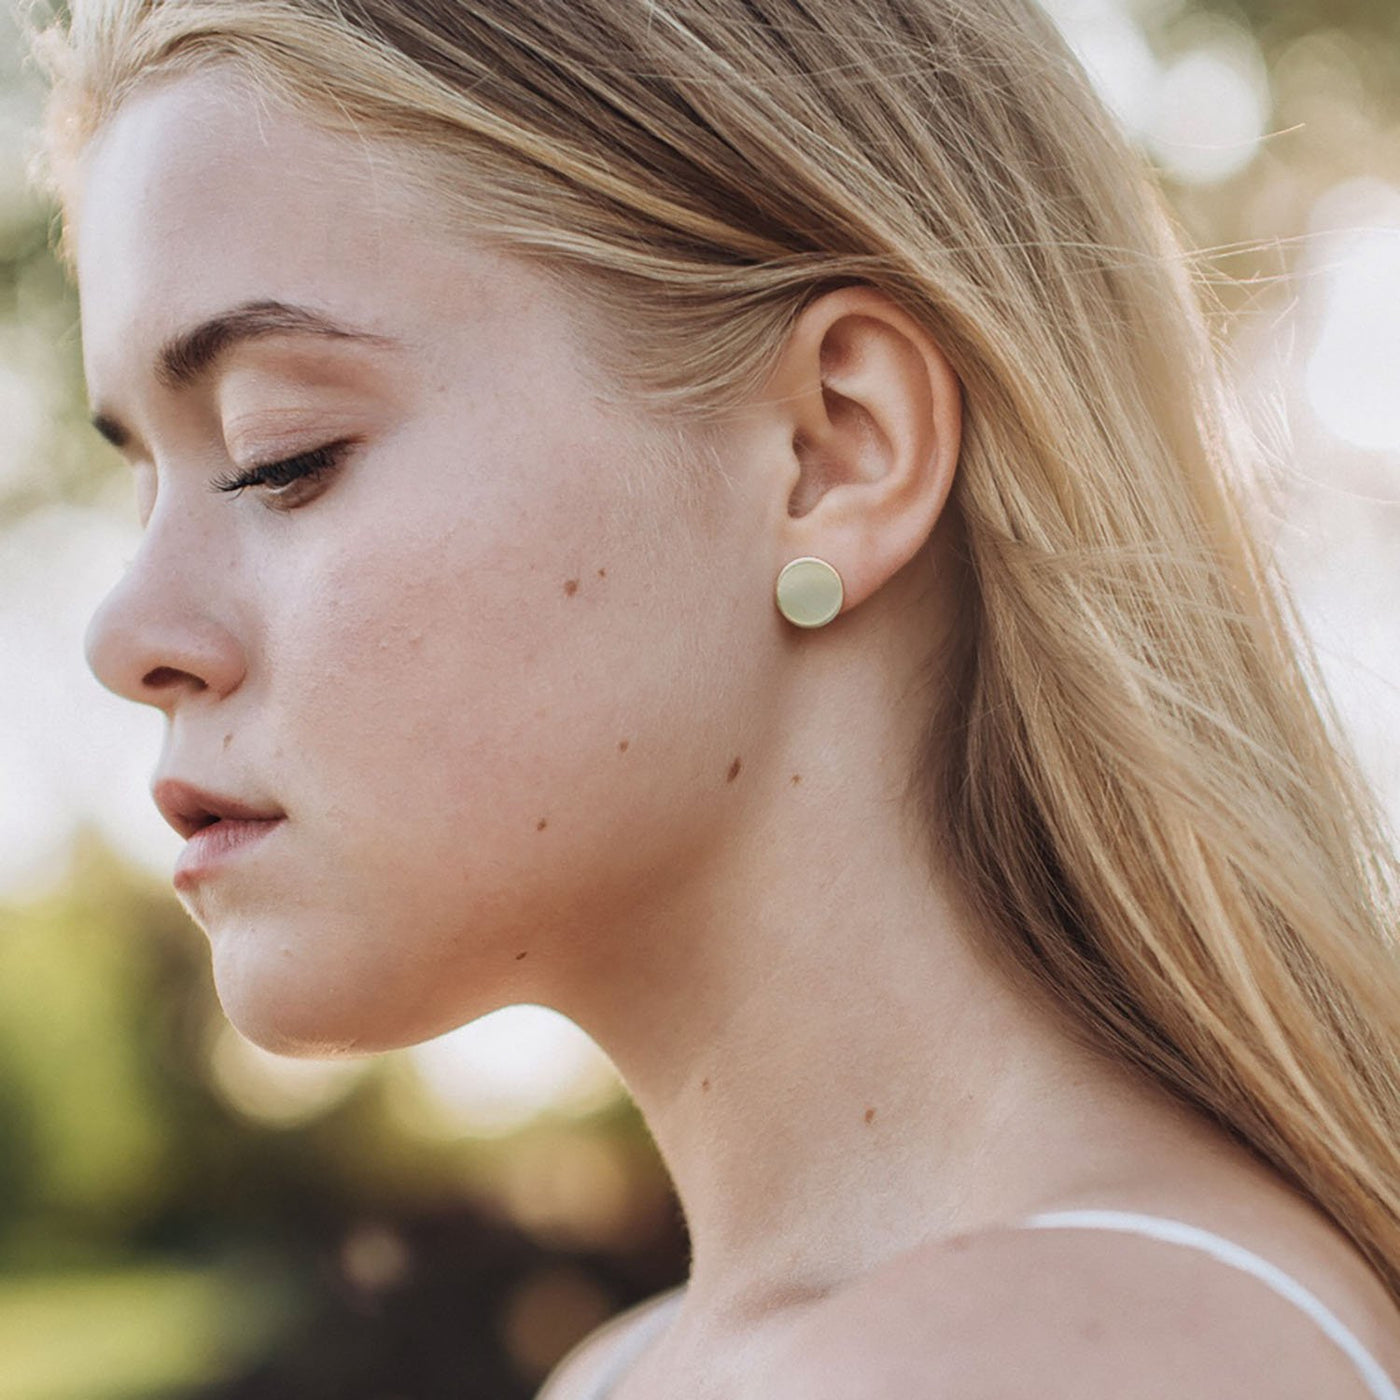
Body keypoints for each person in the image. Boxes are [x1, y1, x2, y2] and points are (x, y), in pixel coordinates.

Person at [26, 0, 1400, 1395]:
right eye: (143, 480)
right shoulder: (651, 1367)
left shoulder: (1022, 1359)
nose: (126, 631)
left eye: (280, 454)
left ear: (832, 452)